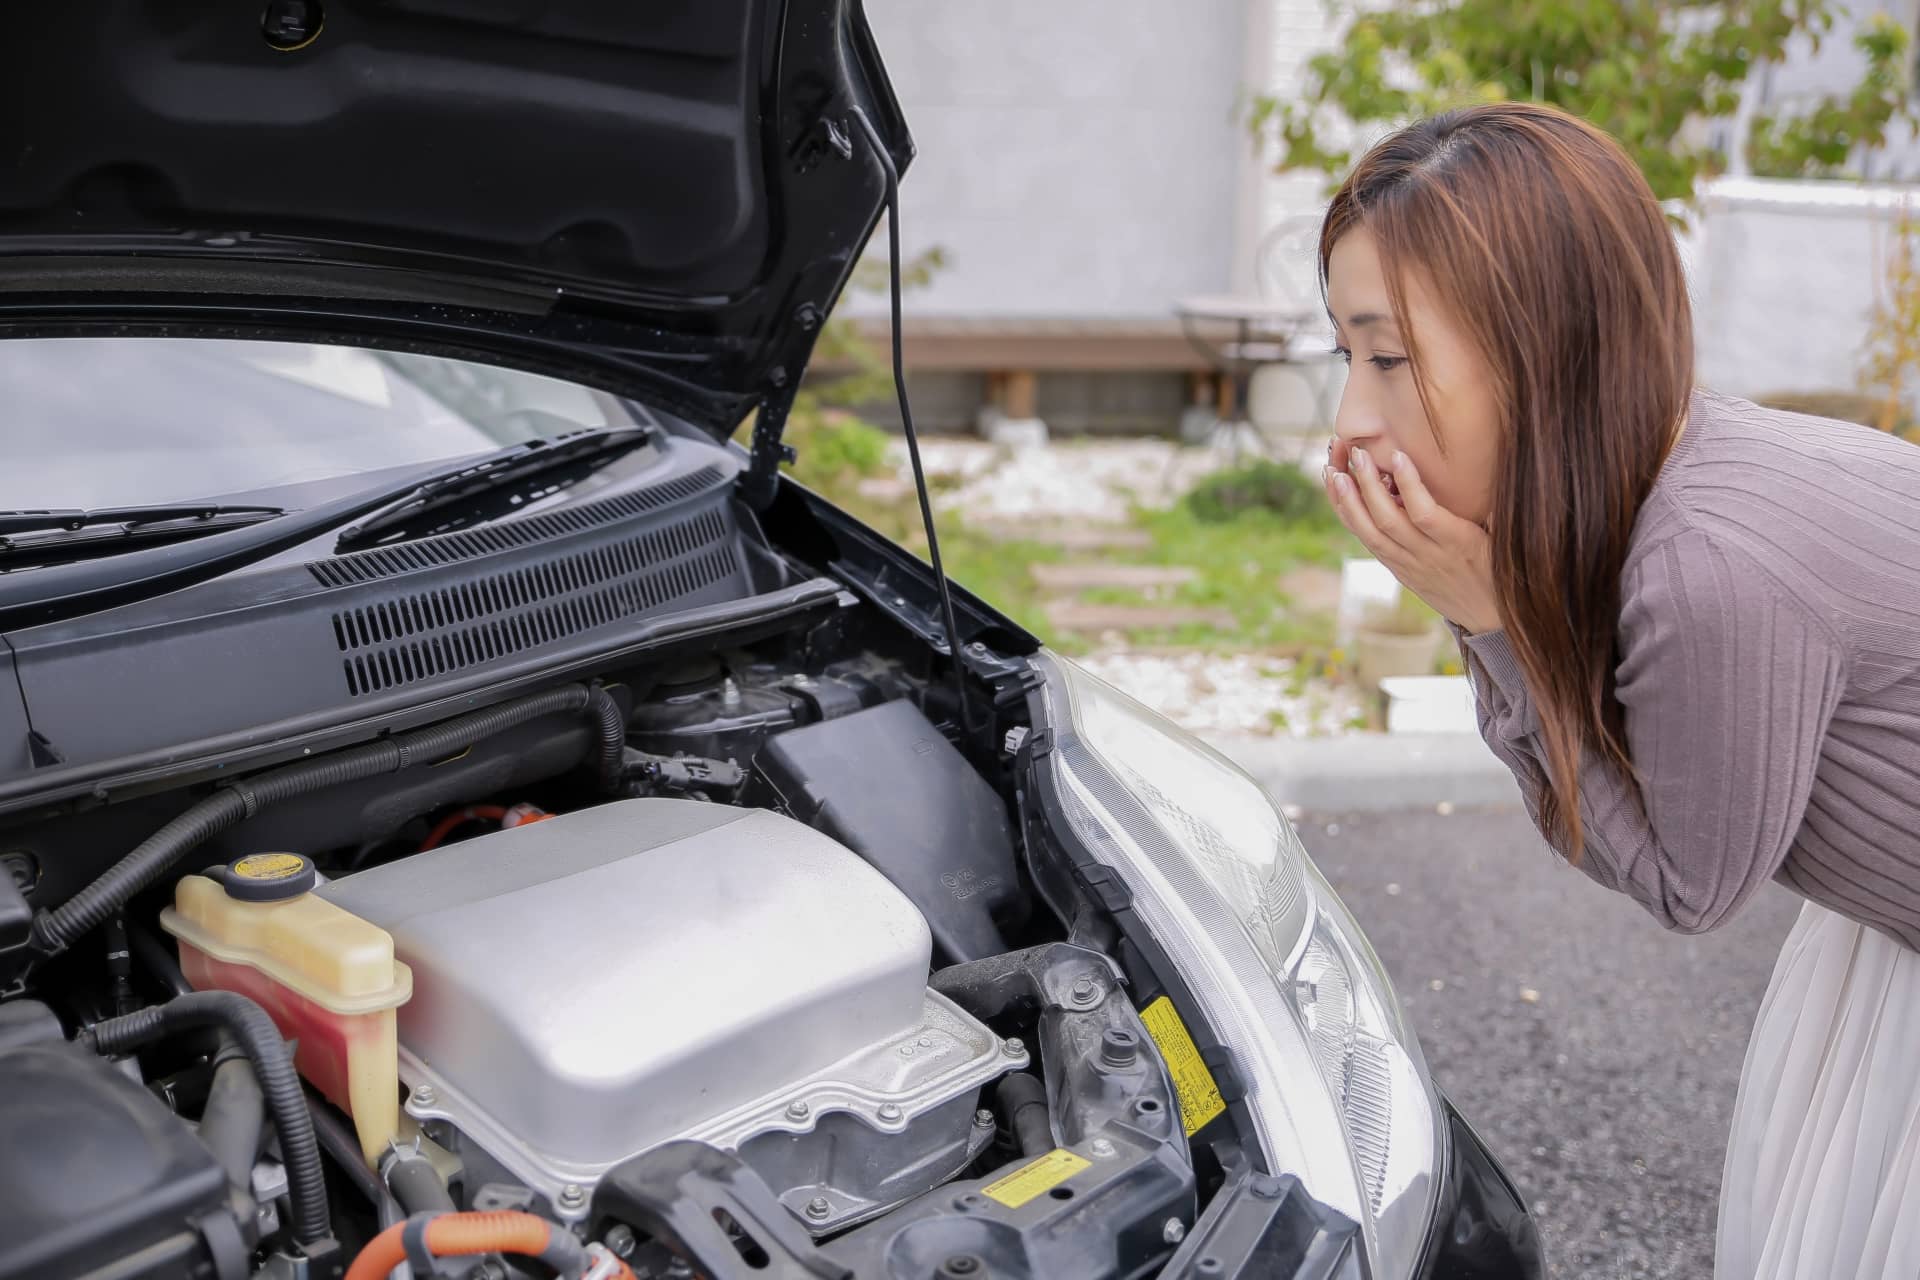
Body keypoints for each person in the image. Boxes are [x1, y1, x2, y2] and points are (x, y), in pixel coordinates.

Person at [1315, 101, 1920, 1279]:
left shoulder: (1708, 566)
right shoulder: (1695, 454)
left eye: (1388, 357)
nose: (1350, 418)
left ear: (1544, 348)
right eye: (1347, 356)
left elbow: (1691, 881)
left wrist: (1488, 621)